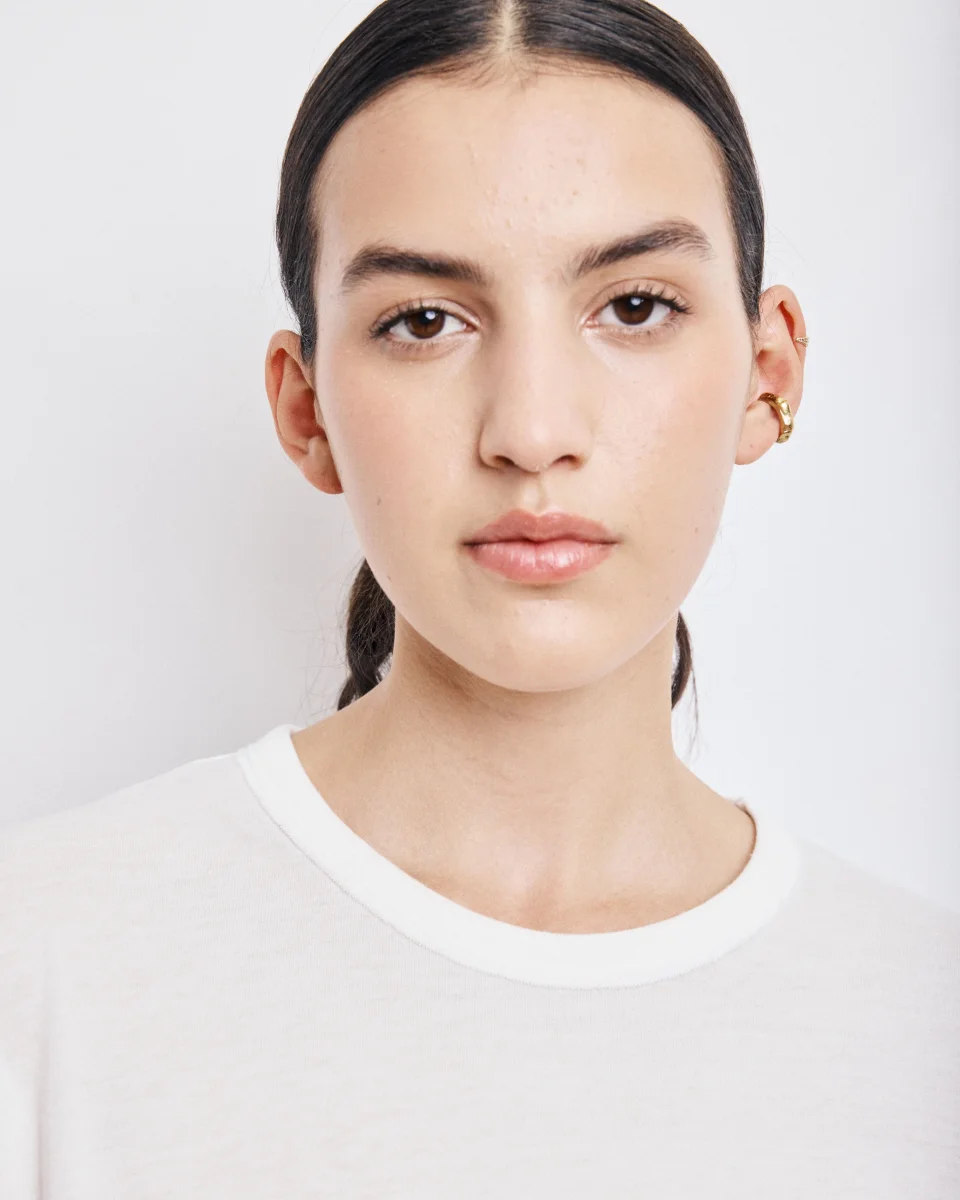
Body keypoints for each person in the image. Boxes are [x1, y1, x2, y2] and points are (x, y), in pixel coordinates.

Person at [1, 0, 957, 1194]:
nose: (532, 431)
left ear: (770, 373)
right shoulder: (42, 965)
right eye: (424, 321)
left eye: (635, 306)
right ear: (306, 410)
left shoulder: (926, 1032)